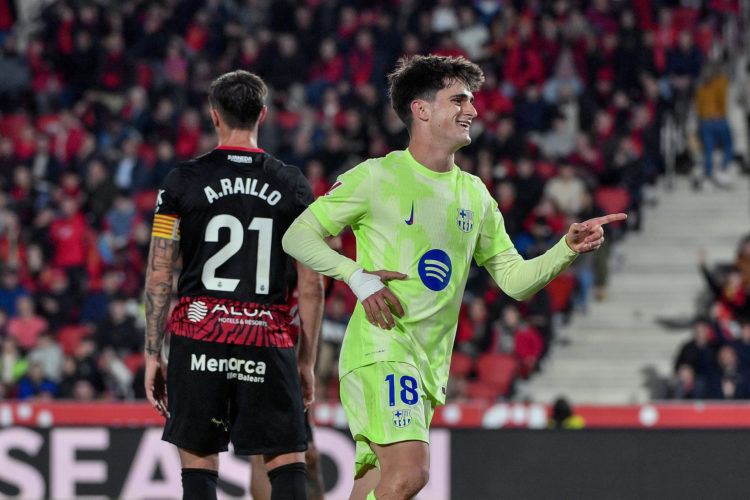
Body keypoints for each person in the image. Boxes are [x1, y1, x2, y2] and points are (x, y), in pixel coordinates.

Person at [282, 54, 625, 500]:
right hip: (382, 349)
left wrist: (565, 249)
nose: (473, 110)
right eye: (458, 99)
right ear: (421, 110)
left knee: (378, 485)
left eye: (472, 99)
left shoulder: (474, 194)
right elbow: (297, 235)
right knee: (411, 474)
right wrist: (357, 277)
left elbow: (515, 280)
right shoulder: (376, 176)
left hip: (427, 366)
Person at [143, 70, 323, 500]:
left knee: (200, 465)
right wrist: (305, 361)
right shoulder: (293, 185)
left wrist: (153, 353)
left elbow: (159, 272)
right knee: (285, 462)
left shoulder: (181, 182)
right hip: (267, 336)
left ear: (213, 116)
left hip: (198, 336)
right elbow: (312, 282)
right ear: (263, 114)